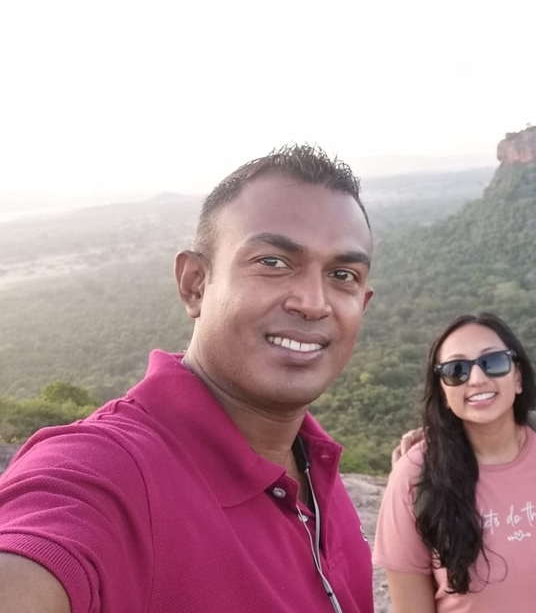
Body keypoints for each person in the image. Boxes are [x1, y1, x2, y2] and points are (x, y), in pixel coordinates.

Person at [0, 144, 376, 613]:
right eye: (273, 263)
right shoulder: (110, 472)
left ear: (363, 303)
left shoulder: (316, 469)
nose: (313, 302)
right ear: (195, 283)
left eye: (343, 274)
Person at [374, 313, 536, 613]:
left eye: (493, 362)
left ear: (517, 377)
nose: (478, 379)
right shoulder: (415, 477)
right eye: (457, 370)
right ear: (443, 392)